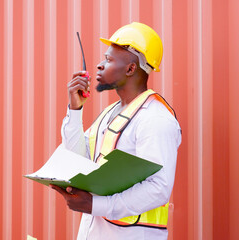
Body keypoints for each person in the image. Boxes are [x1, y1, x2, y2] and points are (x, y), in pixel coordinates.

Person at [50, 22, 182, 240]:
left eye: (109, 60)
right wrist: (75, 110)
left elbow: (158, 188)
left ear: (131, 68)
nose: (100, 65)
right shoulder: (110, 113)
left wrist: (96, 204)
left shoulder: (155, 119)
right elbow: (77, 158)